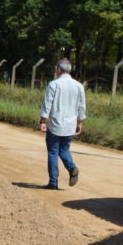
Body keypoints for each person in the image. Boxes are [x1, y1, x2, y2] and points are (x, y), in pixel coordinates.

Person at [38, 58, 86, 190]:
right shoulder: (79, 86)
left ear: (59, 70)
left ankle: (53, 182)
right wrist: (80, 122)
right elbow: (82, 107)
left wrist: (43, 121)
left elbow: (47, 104)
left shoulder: (54, 84)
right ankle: (72, 168)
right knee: (64, 150)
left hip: (55, 125)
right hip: (70, 126)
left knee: (53, 152)